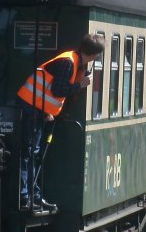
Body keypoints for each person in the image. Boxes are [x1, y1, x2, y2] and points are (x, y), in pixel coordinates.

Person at [16, 33, 105, 211]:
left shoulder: (73, 61)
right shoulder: (68, 62)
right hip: (31, 106)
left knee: (35, 153)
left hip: (37, 108)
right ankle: (26, 196)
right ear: (94, 55)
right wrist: (81, 84)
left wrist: (47, 111)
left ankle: (35, 195)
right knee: (30, 152)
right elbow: (58, 90)